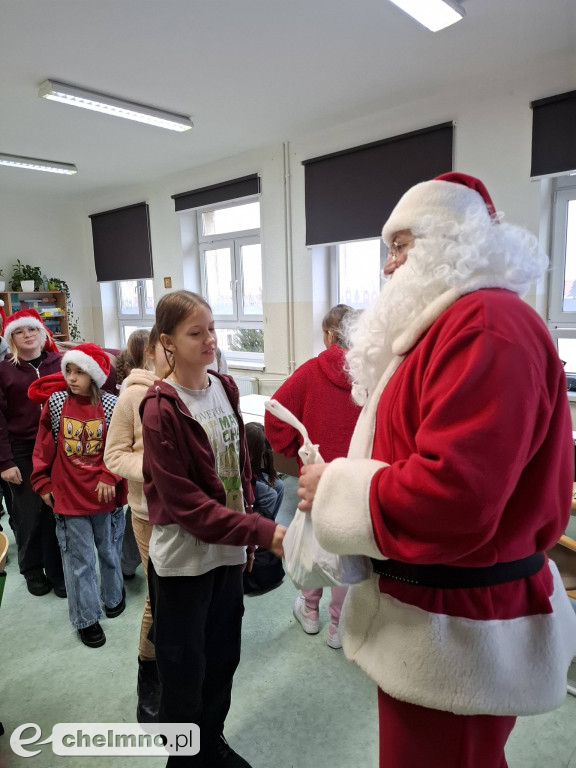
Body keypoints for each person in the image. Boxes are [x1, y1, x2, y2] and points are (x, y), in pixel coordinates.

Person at [297, 172, 576, 768]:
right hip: (432, 616)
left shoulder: (484, 326)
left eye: (401, 245)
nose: (389, 267)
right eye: (387, 250)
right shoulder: (446, 327)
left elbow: (455, 497)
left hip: (460, 628)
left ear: (452, 239)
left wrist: (336, 487)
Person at [140, 289, 286, 768]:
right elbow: (187, 506)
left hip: (225, 554)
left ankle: (211, 743)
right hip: (183, 563)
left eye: (211, 329)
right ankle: (184, 760)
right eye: (195, 333)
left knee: (223, 659)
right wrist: (262, 532)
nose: (210, 340)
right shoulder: (160, 407)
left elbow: (240, 469)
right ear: (168, 341)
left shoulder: (224, 387)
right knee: (184, 671)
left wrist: (244, 541)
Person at [265, 304, 361, 650]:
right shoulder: (373, 374)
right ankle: (338, 626)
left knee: (312, 541)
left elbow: (274, 414)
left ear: (329, 336)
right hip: (355, 482)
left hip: (314, 477)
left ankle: (309, 611)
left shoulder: (310, 371)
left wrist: (296, 450)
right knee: (345, 551)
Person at [29, 343, 127, 648]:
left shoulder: (112, 405)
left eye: (80, 372)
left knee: (110, 552)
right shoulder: (57, 403)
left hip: (104, 499)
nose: (71, 377)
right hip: (68, 499)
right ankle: (86, 618)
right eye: (68, 370)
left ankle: (113, 597)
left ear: (95, 376)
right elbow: (44, 445)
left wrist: (110, 475)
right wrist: (42, 482)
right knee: (79, 561)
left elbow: (121, 446)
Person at [104, 326, 165, 722]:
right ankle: (149, 680)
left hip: (191, 515)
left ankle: (178, 670)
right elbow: (114, 457)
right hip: (148, 513)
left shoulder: (198, 389)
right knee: (157, 598)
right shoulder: (132, 395)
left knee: (184, 599)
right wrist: (157, 469)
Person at [0, 309, 65, 597]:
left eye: (32, 330)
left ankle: (57, 567)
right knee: (28, 512)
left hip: (58, 445)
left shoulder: (61, 363)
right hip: (22, 447)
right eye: (19, 331)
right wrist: (5, 461)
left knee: (58, 509)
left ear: (43, 333)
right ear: (11, 338)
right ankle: (32, 568)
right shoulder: (4, 370)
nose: (27, 335)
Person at [245, 422, 284, 521]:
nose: (263, 453)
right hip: (244, 480)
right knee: (270, 495)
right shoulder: (241, 454)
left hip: (253, 474)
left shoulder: (262, 443)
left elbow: (266, 469)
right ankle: (260, 528)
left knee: (279, 485)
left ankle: (269, 520)